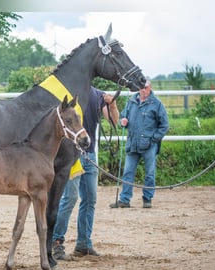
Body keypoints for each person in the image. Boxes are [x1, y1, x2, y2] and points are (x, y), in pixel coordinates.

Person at [53, 86, 119, 260]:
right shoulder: (65, 90)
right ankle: (56, 242)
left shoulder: (97, 95)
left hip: (89, 153)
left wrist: (112, 105)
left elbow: (113, 121)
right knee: (70, 198)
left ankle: (83, 243)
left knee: (90, 199)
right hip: (70, 154)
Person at [110, 78, 169, 209]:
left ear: (150, 89)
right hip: (132, 143)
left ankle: (147, 198)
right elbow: (123, 117)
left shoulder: (157, 104)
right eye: (141, 88)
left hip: (149, 145)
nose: (143, 90)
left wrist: (153, 139)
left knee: (149, 173)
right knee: (127, 172)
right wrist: (122, 121)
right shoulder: (131, 101)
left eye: (145, 88)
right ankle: (124, 199)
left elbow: (164, 126)